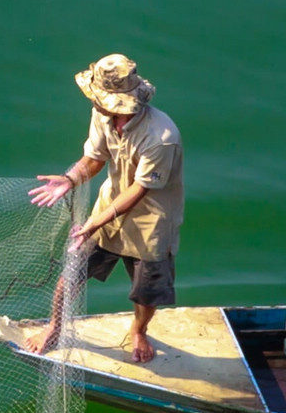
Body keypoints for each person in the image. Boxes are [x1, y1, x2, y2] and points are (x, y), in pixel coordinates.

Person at [29, 53, 181, 366]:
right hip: (107, 208)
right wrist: (70, 179)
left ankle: (139, 330)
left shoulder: (161, 137)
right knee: (72, 271)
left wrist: (93, 222)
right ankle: (55, 327)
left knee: (146, 292)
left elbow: (140, 190)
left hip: (151, 223)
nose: (96, 103)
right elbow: (95, 158)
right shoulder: (102, 114)